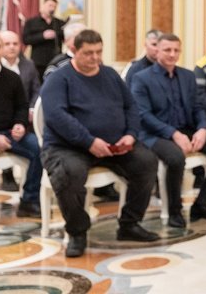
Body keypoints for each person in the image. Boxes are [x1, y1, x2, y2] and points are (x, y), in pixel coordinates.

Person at [40, 29, 160, 257]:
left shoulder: (111, 75)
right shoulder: (58, 78)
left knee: (146, 162)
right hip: (68, 147)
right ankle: (77, 232)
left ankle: (129, 224)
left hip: (115, 144)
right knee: (69, 173)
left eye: (98, 52)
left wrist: (131, 134)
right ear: (74, 51)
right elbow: (57, 117)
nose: (95, 58)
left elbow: (131, 107)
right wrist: (89, 141)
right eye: (88, 53)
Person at [131, 33, 206, 229]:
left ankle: (202, 204)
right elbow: (143, 115)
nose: (172, 54)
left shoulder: (187, 76)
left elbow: (197, 107)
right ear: (157, 51)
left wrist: (203, 128)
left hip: (187, 129)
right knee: (175, 158)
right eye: (167, 50)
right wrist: (174, 134)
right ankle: (174, 211)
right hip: (155, 134)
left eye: (176, 50)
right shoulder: (141, 78)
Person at [0, 31, 43, 229]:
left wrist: (20, 124)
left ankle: (29, 200)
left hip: (11, 131)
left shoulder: (12, 77)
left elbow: (21, 105)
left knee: (39, 149)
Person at [0, 29, 41, 192]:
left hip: (22, 118)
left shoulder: (28, 65)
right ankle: (7, 175)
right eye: (7, 44)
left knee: (39, 146)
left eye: (15, 43)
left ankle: (30, 197)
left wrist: (31, 109)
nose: (11, 47)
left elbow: (36, 90)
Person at [22, 0, 67, 80]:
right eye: (50, 5)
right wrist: (42, 36)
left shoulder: (59, 22)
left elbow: (65, 38)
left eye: (54, 7)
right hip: (39, 62)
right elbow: (26, 40)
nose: (52, 8)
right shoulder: (31, 22)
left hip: (56, 60)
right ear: (42, 6)